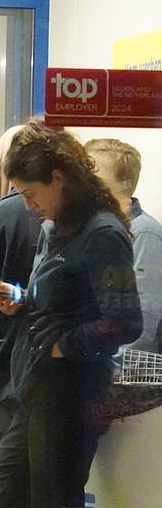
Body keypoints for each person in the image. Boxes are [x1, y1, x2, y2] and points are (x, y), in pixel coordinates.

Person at [0, 121, 142, 508]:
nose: (28, 206)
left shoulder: (103, 233)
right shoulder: (61, 228)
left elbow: (125, 322)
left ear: (59, 178)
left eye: (31, 193)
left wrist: (61, 346)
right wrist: (23, 300)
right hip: (37, 392)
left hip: (71, 394)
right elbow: (67, 301)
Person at [0, 124, 43, 456]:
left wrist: (3, 292)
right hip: (50, 369)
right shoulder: (74, 217)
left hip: (2, 367)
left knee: (5, 483)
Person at [85, 138, 162, 353]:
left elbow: (145, 320)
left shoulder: (143, 234)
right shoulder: (97, 229)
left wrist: (111, 367)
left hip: (120, 378)